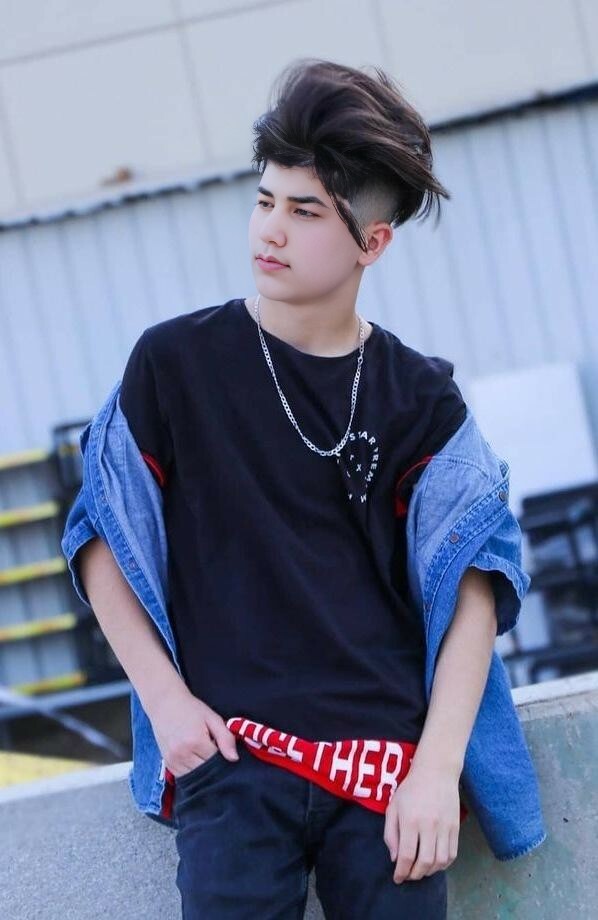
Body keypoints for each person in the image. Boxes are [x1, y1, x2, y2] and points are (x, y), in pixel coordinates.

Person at [70, 59, 542, 918]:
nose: (271, 231)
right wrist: (168, 708)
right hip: (231, 760)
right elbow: (102, 534)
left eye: (305, 211)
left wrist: (437, 772)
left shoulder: (420, 397)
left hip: (387, 771)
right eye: (265, 201)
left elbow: (477, 587)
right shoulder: (175, 364)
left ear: (372, 243)